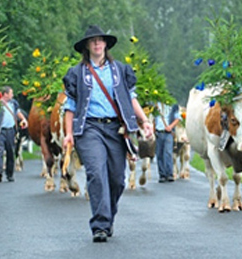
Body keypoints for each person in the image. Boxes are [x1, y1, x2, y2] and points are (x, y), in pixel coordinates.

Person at [62, 25, 152, 243]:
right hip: (89, 128)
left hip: (116, 129)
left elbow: (131, 98)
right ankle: (100, 224)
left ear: (105, 44)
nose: (97, 43)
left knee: (117, 179)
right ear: (86, 46)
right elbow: (70, 106)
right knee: (96, 173)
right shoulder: (76, 73)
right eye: (92, 40)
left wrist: (145, 121)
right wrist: (68, 134)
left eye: (100, 40)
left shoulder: (120, 70)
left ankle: (108, 215)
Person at [0, 86, 28, 182]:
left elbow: (17, 112)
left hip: (11, 131)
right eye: (11, 93)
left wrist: (23, 119)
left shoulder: (13, 103)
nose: (12, 95)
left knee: (10, 152)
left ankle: (10, 174)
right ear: (5, 94)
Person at [154, 102, 180, 183]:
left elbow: (177, 118)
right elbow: (153, 119)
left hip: (168, 133)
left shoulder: (173, 105)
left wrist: (170, 127)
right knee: (159, 154)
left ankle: (169, 174)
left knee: (168, 152)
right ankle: (162, 174)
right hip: (158, 132)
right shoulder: (155, 105)